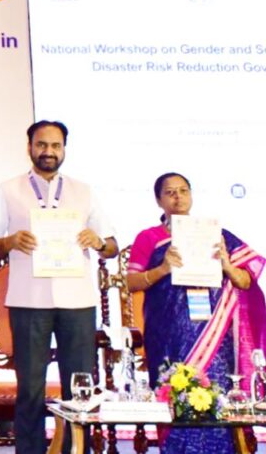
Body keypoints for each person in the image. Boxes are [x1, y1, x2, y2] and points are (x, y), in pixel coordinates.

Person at [0, 120, 118, 454]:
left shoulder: (84, 191)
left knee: (78, 388)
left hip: (77, 301)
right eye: (41, 145)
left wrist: (98, 242)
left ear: (64, 149)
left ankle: (74, 450)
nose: (48, 152)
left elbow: (112, 247)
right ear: (29, 147)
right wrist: (10, 241)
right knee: (30, 389)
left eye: (55, 146)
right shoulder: (9, 190)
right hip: (29, 301)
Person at [126, 172, 265, 453]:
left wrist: (226, 264)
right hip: (168, 333)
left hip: (215, 333)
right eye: (170, 192)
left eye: (183, 191)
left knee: (218, 396)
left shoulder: (216, 235)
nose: (178, 198)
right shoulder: (148, 237)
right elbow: (131, 282)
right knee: (174, 393)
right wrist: (163, 269)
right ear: (158, 200)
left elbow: (245, 281)